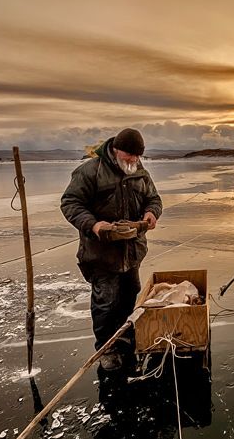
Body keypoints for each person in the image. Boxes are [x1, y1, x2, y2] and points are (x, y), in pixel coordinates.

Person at [61, 128, 162, 370]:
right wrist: (94, 225)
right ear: (116, 149)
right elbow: (70, 203)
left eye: (137, 156)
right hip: (101, 254)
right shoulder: (90, 171)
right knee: (105, 302)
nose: (133, 160)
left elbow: (154, 199)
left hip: (132, 251)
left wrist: (151, 213)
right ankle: (106, 349)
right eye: (129, 155)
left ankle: (124, 337)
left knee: (129, 294)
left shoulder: (140, 173)